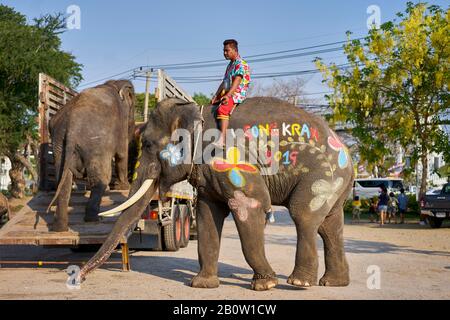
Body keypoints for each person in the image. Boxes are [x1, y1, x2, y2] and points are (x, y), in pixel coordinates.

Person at [211, 39, 251, 147]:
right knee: (213, 105)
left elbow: (237, 81)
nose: (224, 53)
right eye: (224, 51)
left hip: (237, 92)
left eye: (227, 50)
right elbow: (224, 82)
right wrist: (216, 95)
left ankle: (222, 140)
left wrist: (228, 96)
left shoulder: (240, 64)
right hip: (228, 90)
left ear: (234, 50)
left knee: (222, 108)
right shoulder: (230, 65)